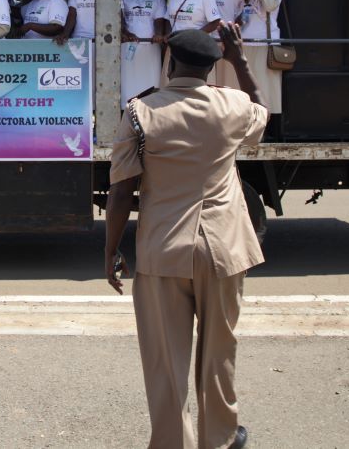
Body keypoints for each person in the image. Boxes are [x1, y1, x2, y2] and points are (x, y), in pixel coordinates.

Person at [105, 24, 267, 449]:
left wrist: (111, 252)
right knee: (219, 352)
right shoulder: (233, 106)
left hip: (162, 251)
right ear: (214, 65)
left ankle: (172, 442)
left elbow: (121, 191)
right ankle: (220, 438)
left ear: (170, 61)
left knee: (165, 363)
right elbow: (262, 111)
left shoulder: (141, 112)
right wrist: (240, 61)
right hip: (225, 249)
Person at [237, 0, 284, 130]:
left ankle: (264, 128)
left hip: (265, 45)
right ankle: (248, 126)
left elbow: (270, 5)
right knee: (246, 89)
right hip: (245, 44)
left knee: (265, 89)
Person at [159, 0, 220, 88]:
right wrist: (168, 35)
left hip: (198, 48)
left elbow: (215, 21)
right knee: (173, 85)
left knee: (198, 86)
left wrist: (193, 37)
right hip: (175, 47)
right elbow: (170, 21)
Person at [120, 0, 167, 105]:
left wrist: (158, 34)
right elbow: (119, 17)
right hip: (129, 46)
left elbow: (159, 19)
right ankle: (127, 113)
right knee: (128, 84)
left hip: (151, 47)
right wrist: (125, 32)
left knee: (151, 82)